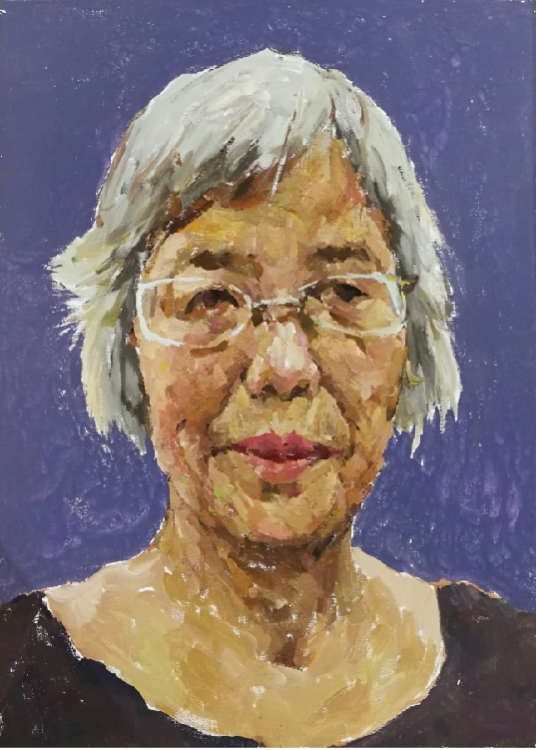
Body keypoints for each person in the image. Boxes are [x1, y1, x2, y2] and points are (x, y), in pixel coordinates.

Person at [0, 49, 533, 748]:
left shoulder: (515, 678)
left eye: (344, 293)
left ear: (412, 337)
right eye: (210, 299)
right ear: (129, 342)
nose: (284, 367)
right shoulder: (18, 681)